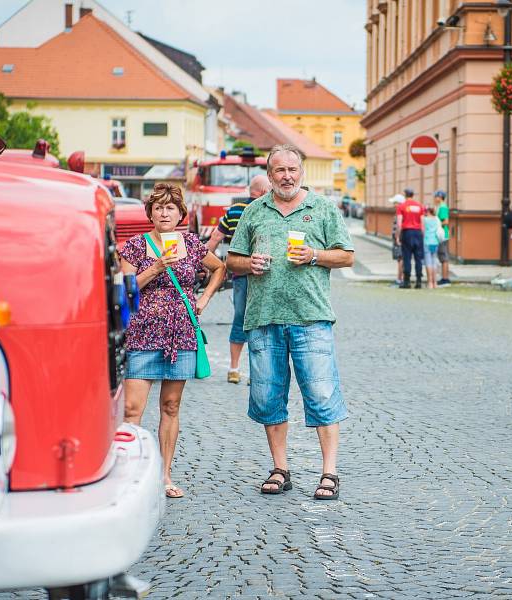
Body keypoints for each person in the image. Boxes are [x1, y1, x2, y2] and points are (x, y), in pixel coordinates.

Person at [227, 144, 354, 501]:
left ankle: (330, 472)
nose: (287, 176)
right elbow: (232, 260)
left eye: (293, 170)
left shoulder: (323, 208)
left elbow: (346, 256)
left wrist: (314, 255)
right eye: (279, 170)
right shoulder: (254, 212)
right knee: (268, 396)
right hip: (264, 317)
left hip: (311, 317)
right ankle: (280, 468)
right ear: (269, 176)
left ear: (302, 173)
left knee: (322, 393)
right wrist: (247, 263)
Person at [120, 182, 225, 499]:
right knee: (131, 408)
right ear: (150, 212)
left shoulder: (191, 244)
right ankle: (131, 474)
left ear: (181, 213)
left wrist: (203, 299)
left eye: (170, 207)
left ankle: (164, 475)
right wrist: (155, 268)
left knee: (170, 406)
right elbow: (125, 289)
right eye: (158, 207)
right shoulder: (135, 247)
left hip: (180, 334)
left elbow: (219, 268)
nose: (164, 212)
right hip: (142, 333)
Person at [207, 174, 272, 384]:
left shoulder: (234, 210)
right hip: (264, 274)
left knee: (240, 319)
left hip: (239, 274)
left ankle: (233, 369)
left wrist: (204, 265)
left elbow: (216, 237)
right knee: (262, 322)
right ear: (263, 191)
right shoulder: (267, 209)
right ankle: (256, 372)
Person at [396, 188, 425, 289]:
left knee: (407, 257)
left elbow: (399, 223)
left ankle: (407, 282)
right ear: (413, 195)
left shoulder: (401, 206)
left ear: (405, 195)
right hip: (418, 233)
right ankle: (419, 281)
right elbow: (422, 223)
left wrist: (398, 236)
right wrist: (423, 235)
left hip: (407, 232)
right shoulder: (420, 206)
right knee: (418, 258)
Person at [434, 190, 452, 286]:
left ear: (440, 197)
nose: (434, 198)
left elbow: (446, 221)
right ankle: (444, 277)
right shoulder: (440, 207)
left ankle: (445, 279)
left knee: (443, 257)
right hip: (441, 234)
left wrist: (435, 224)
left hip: (442, 235)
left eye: (436, 196)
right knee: (442, 257)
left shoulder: (443, 207)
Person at [422, 206, 441, 289]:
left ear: (427, 211)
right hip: (435, 242)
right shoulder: (437, 219)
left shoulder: (424, 219)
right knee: (434, 262)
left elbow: (422, 230)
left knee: (428, 263)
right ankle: (435, 283)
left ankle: (430, 283)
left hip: (427, 242)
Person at [389, 194, 405, 286]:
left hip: (399, 238)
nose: (393, 205)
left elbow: (399, 226)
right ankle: (399, 278)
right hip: (398, 238)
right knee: (399, 259)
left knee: (400, 258)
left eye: (394, 203)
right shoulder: (399, 212)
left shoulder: (400, 213)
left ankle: (400, 279)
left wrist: (398, 237)